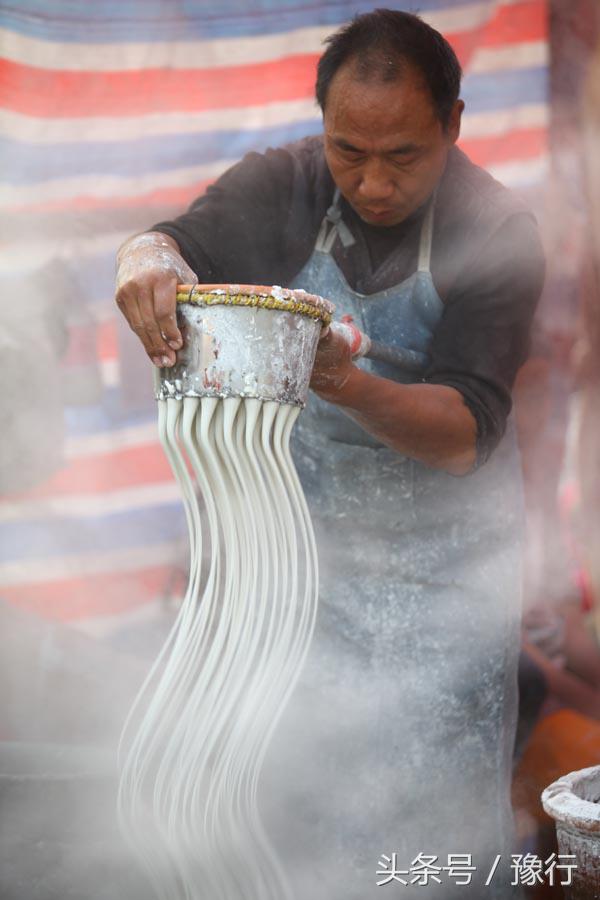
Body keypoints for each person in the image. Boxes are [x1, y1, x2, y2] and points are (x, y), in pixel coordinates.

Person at [115, 10, 545, 899]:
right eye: (350, 151)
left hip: (448, 586)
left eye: (404, 156)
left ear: (454, 124)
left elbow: (466, 431)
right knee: (302, 806)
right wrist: (146, 261)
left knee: (431, 826)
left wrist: (344, 382)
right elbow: (173, 242)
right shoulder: (286, 184)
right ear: (323, 127)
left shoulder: (498, 229)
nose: (374, 183)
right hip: (310, 571)